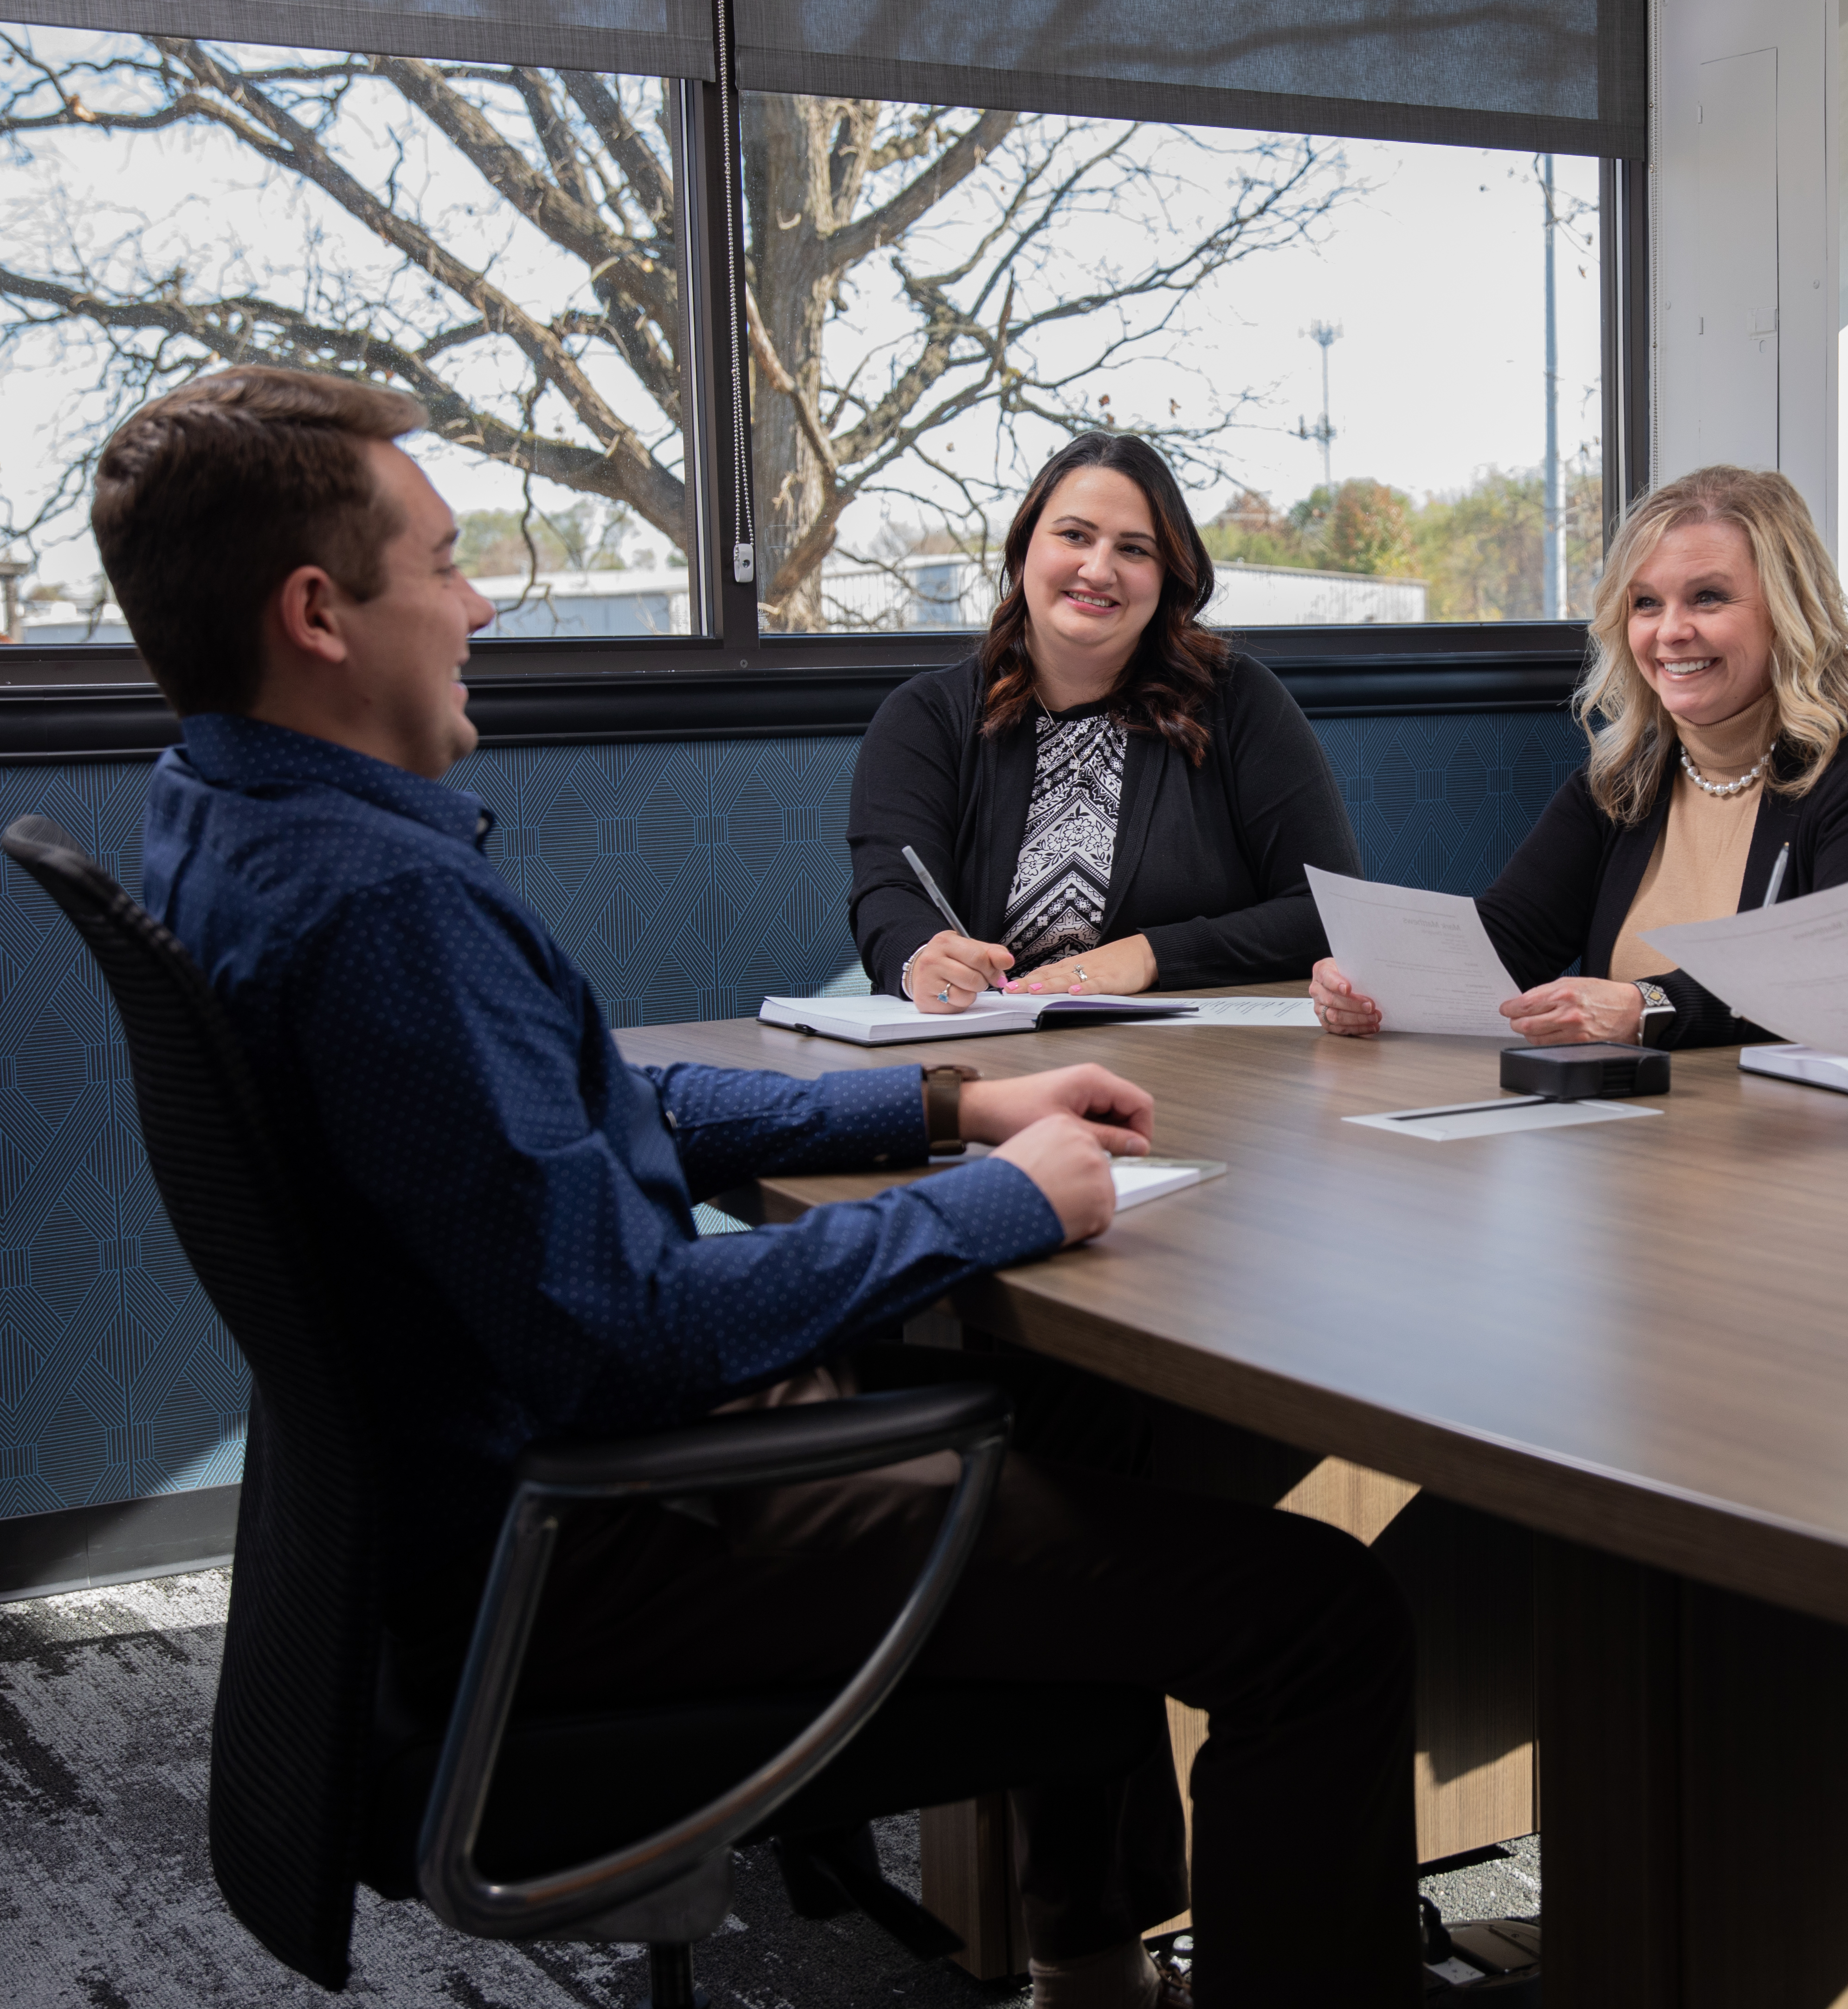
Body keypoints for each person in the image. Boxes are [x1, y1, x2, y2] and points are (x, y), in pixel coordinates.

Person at [101, 368, 1415, 2009]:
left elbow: (597, 1096)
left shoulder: (233, 817)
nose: (483, 597)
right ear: (317, 611)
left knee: (1087, 1428)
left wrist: (946, 1102)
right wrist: (1008, 1196)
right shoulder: (382, 903)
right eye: (442, 559)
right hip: (620, 1526)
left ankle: (1089, 1954)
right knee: (1323, 1613)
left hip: (531, 1499)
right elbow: (630, 1331)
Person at [1311, 465, 1848, 1047]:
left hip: (1794, 1142)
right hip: (1628, 1135)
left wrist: (1648, 1007)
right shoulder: (1625, 778)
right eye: (1646, 603)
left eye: (1708, 598)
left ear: (1788, 613)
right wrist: (1371, 978)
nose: (1670, 631)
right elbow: (1508, 943)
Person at [850, 433, 1360, 1009]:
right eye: (1074, 536)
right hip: (990, 1057)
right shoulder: (926, 717)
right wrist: (921, 957)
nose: (1098, 569)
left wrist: (1151, 956)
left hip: (1199, 1064)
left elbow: (1329, 910)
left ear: (1168, 576)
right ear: (1023, 552)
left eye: (1134, 550)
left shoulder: (1238, 702)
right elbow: (888, 896)